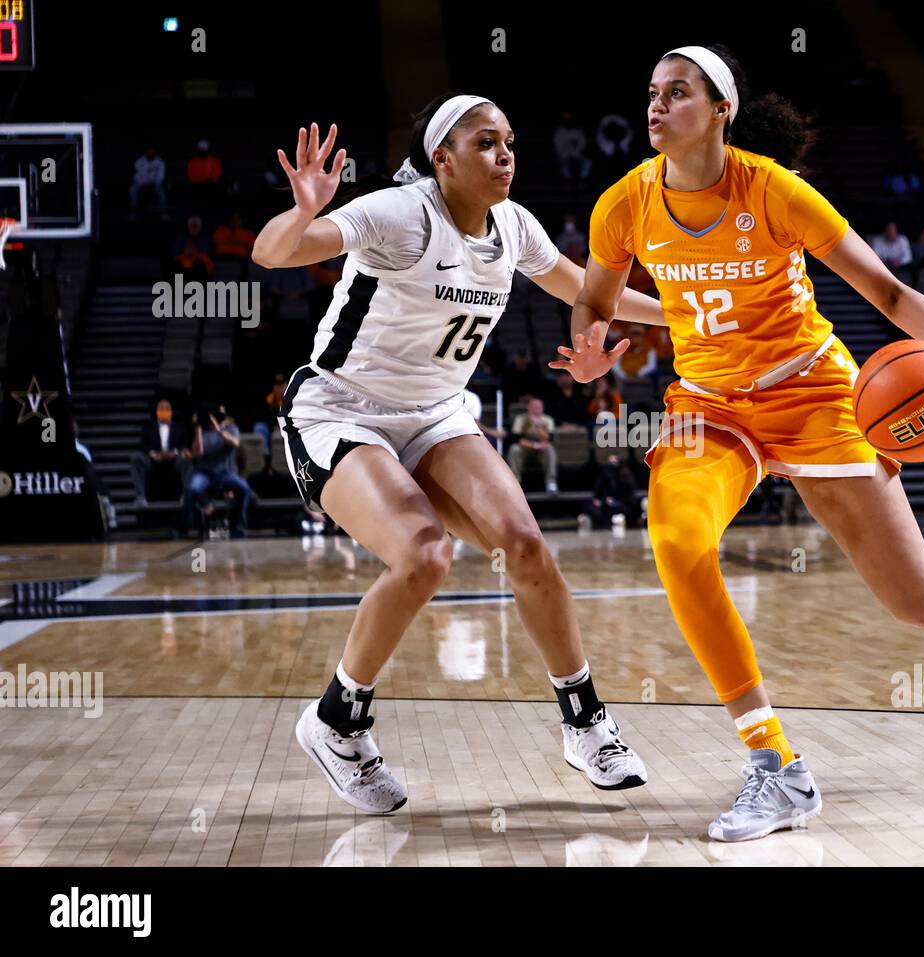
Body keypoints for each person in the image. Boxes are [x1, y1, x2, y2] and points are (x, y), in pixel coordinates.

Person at [554, 44, 924, 843]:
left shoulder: (774, 190)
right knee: (676, 540)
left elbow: (885, 290)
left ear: (721, 110)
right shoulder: (624, 204)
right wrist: (592, 348)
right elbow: (595, 300)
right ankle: (776, 766)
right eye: (652, 92)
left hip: (813, 392)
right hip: (709, 404)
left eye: (677, 93)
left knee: (919, 604)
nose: (657, 104)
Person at [250, 98, 669, 813]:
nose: (505, 153)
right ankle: (336, 722)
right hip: (341, 409)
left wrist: (684, 313)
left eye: (510, 140)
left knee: (527, 546)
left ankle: (585, 721)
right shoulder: (399, 213)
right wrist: (304, 210)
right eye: (485, 142)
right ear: (442, 156)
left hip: (435, 415)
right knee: (425, 554)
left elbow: (580, 285)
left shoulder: (513, 226)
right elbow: (273, 252)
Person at [183, 405, 253, 537]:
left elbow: (235, 443)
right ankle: (186, 525)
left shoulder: (230, 428)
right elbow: (198, 453)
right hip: (204, 473)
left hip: (223, 472)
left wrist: (219, 431)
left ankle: (239, 524)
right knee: (192, 489)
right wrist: (198, 427)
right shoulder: (200, 431)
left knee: (244, 488)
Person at [130, 398, 191, 505]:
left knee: (187, 458)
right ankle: (140, 497)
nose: (164, 410)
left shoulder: (179, 427)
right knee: (136, 458)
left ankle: (186, 496)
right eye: (161, 408)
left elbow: (184, 445)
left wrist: (175, 453)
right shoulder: (148, 427)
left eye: (167, 408)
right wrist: (153, 454)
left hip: (174, 461)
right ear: (157, 411)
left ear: (171, 411)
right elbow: (143, 445)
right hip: (154, 461)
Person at [508, 396, 559, 493]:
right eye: (534, 406)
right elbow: (516, 439)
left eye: (538, 407)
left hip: (541, 451)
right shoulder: (521, 419)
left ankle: (551, 483)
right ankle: (516, 483)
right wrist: (534, 445)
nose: (536, 409)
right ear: (529, 408)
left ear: (542, 408)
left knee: (550, 449)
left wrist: (538, 426)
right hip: (525, 449)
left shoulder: (548, 420)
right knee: (514, 449)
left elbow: (550, 439)